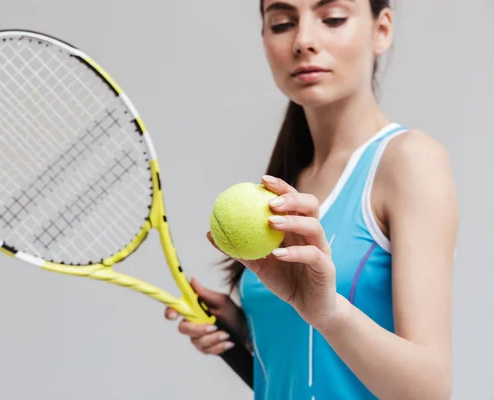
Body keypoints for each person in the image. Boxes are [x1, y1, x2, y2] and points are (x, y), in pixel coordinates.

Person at [165, 0, 458, 399]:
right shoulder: (286, 182)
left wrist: (329, 313)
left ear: (382, 29)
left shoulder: (409, 161)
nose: (303, 40)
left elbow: (431, 390)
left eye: (333, 18)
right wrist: (244, 334)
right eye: (282, 23)